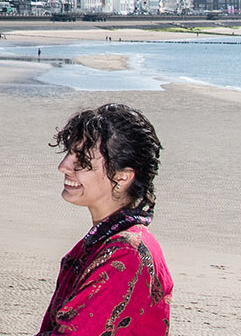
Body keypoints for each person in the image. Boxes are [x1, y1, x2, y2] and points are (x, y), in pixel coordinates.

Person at [38, 104, 172, 336]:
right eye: (69, 153)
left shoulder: (127, 252)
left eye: (82, 160)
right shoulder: (104, 241)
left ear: (122, 177)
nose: (64, 167)